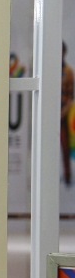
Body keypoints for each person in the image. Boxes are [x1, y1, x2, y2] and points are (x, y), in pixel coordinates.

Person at [62, 42, 74, 185]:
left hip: (64, 114)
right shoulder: (50, 70)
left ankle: (67, 176)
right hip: (51, 113)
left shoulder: (68, 71)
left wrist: (63, 112)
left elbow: (71, 95)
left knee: (66, 147)